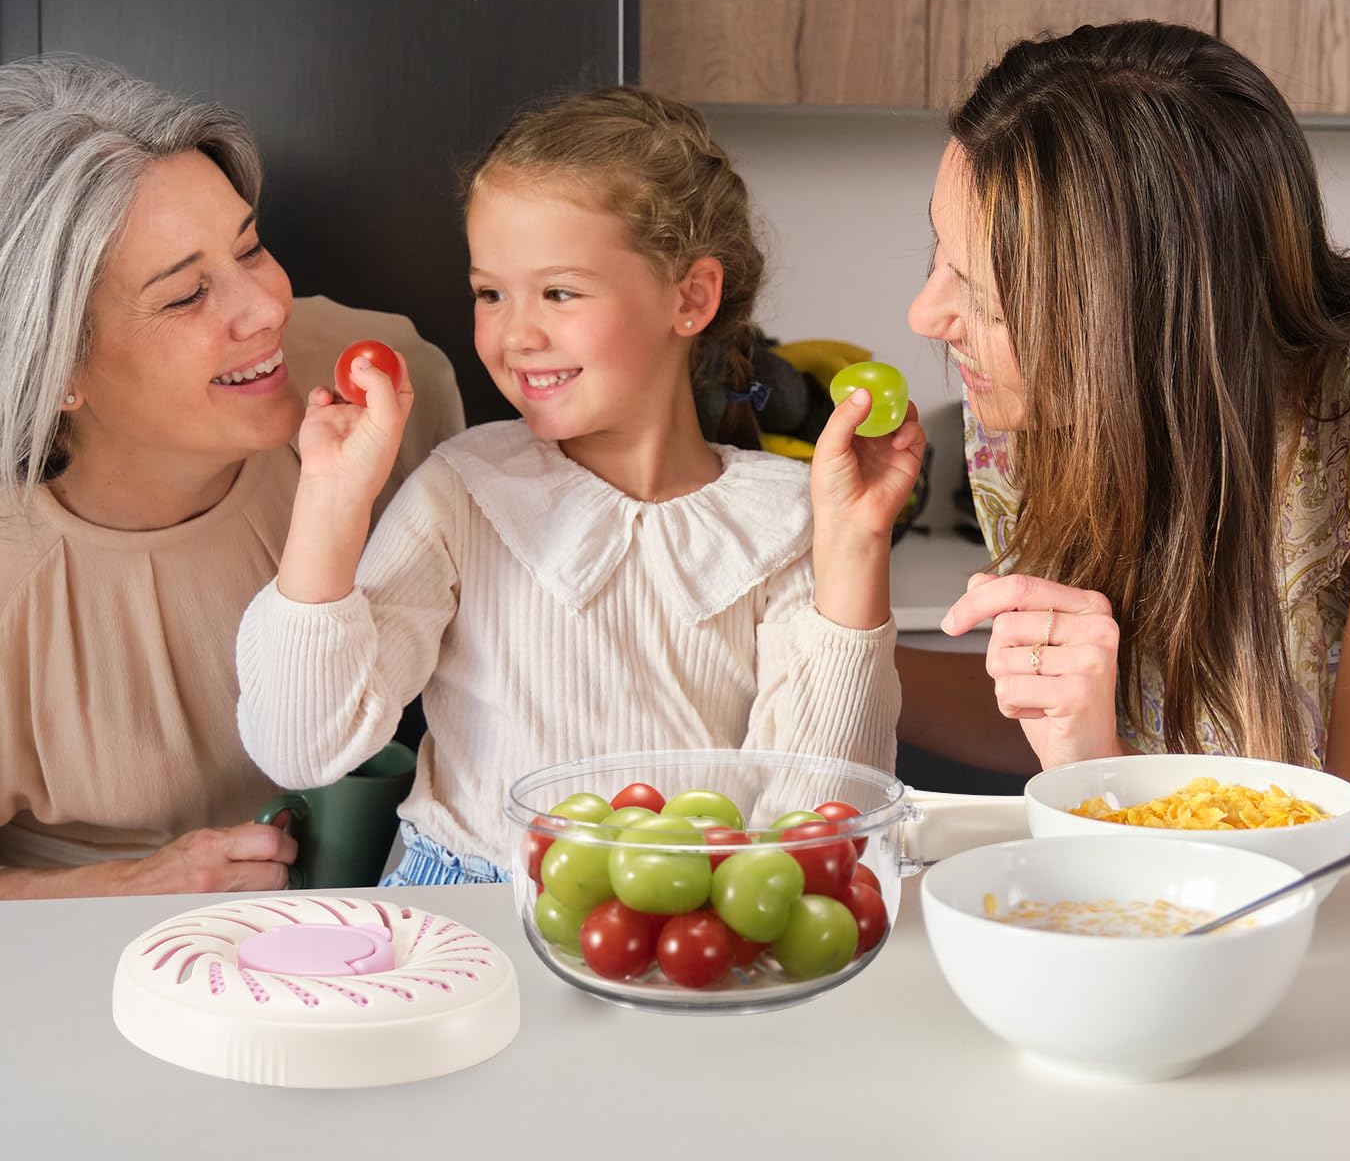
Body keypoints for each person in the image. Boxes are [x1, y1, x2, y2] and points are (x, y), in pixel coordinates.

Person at [238, 87, 921, 882]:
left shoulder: (786, 519)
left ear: (691, 297)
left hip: (693, 922)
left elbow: (822, 823)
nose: (515, 334)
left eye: (559, 292)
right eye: (490, 292)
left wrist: (856, 549)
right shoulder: (463, 492)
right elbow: (301, 742)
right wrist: (328, 501)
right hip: (471, 914)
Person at [920, 22, 1350, 842]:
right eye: (938, 253)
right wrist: (822, 635)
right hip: (1199, 881)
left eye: (989, 298)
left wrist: (1092, 768)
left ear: (1143, 325)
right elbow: (1066, 705)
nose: (926, 315)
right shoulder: (1042, 401)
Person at [0, 57, 463, 908]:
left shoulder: (386, 389)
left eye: (251, 246)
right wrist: (131, 887)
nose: (266, 307)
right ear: (53, 371)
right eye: (188, 295)